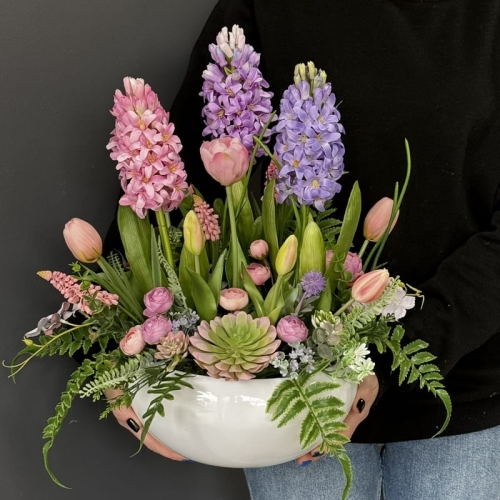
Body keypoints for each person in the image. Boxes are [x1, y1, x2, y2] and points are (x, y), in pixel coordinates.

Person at [108, 0, 500, 498]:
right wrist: (115, 352)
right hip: (290, 391)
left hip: (461, 386)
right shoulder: (265, 7)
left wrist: (392, 357)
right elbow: (171, 176)